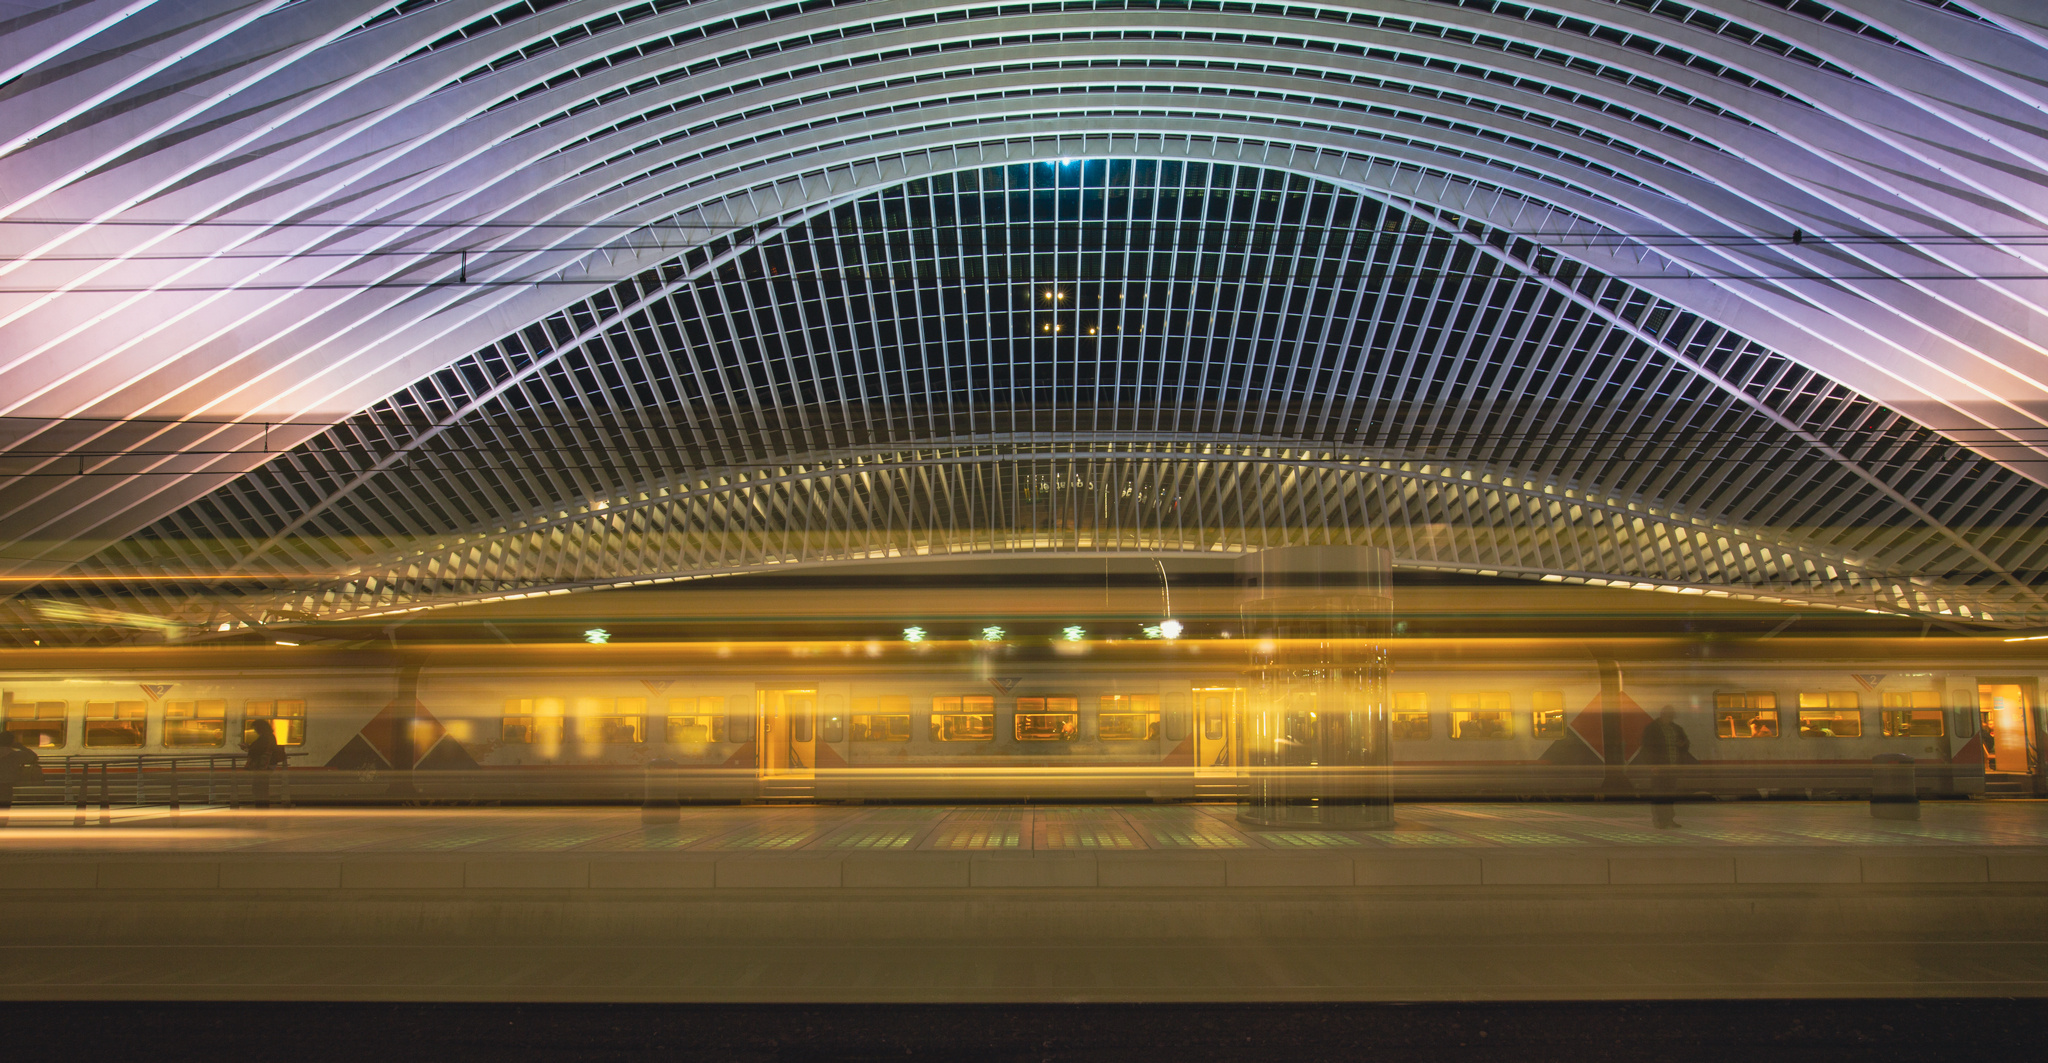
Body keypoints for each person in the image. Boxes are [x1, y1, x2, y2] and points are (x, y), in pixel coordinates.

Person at [1638, 706, 1692, 829]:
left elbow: (1686, 744)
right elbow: (1646, 748)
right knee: (1659, 794)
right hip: (1659, 768)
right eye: (1669, 715)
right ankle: (1660, 820)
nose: (1671, 718)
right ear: (1663, 715)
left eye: (1672, 716)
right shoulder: (1652, 729)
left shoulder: (1676, 729)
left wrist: (1683, 744)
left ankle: (1669, 819)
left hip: (1673, 767)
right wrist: (1652, 765)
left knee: (1670, 794)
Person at [0, 731, 40, 828]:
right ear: (12, 742)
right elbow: (34, 757)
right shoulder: (15, 755)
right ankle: (2, 826)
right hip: (6, 784)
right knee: (4, 806)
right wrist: (21, 747)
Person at [241, 719, 281, 807]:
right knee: (262, 787)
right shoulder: (270, 737)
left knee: (258, 788)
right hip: (267, 766)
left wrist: (247, 748)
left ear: (261, 728)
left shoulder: (264, 738)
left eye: (256, 728)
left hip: (262, 766)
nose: (255, 731)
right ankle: (263, 806)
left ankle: (261, 806)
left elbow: (257, 751)